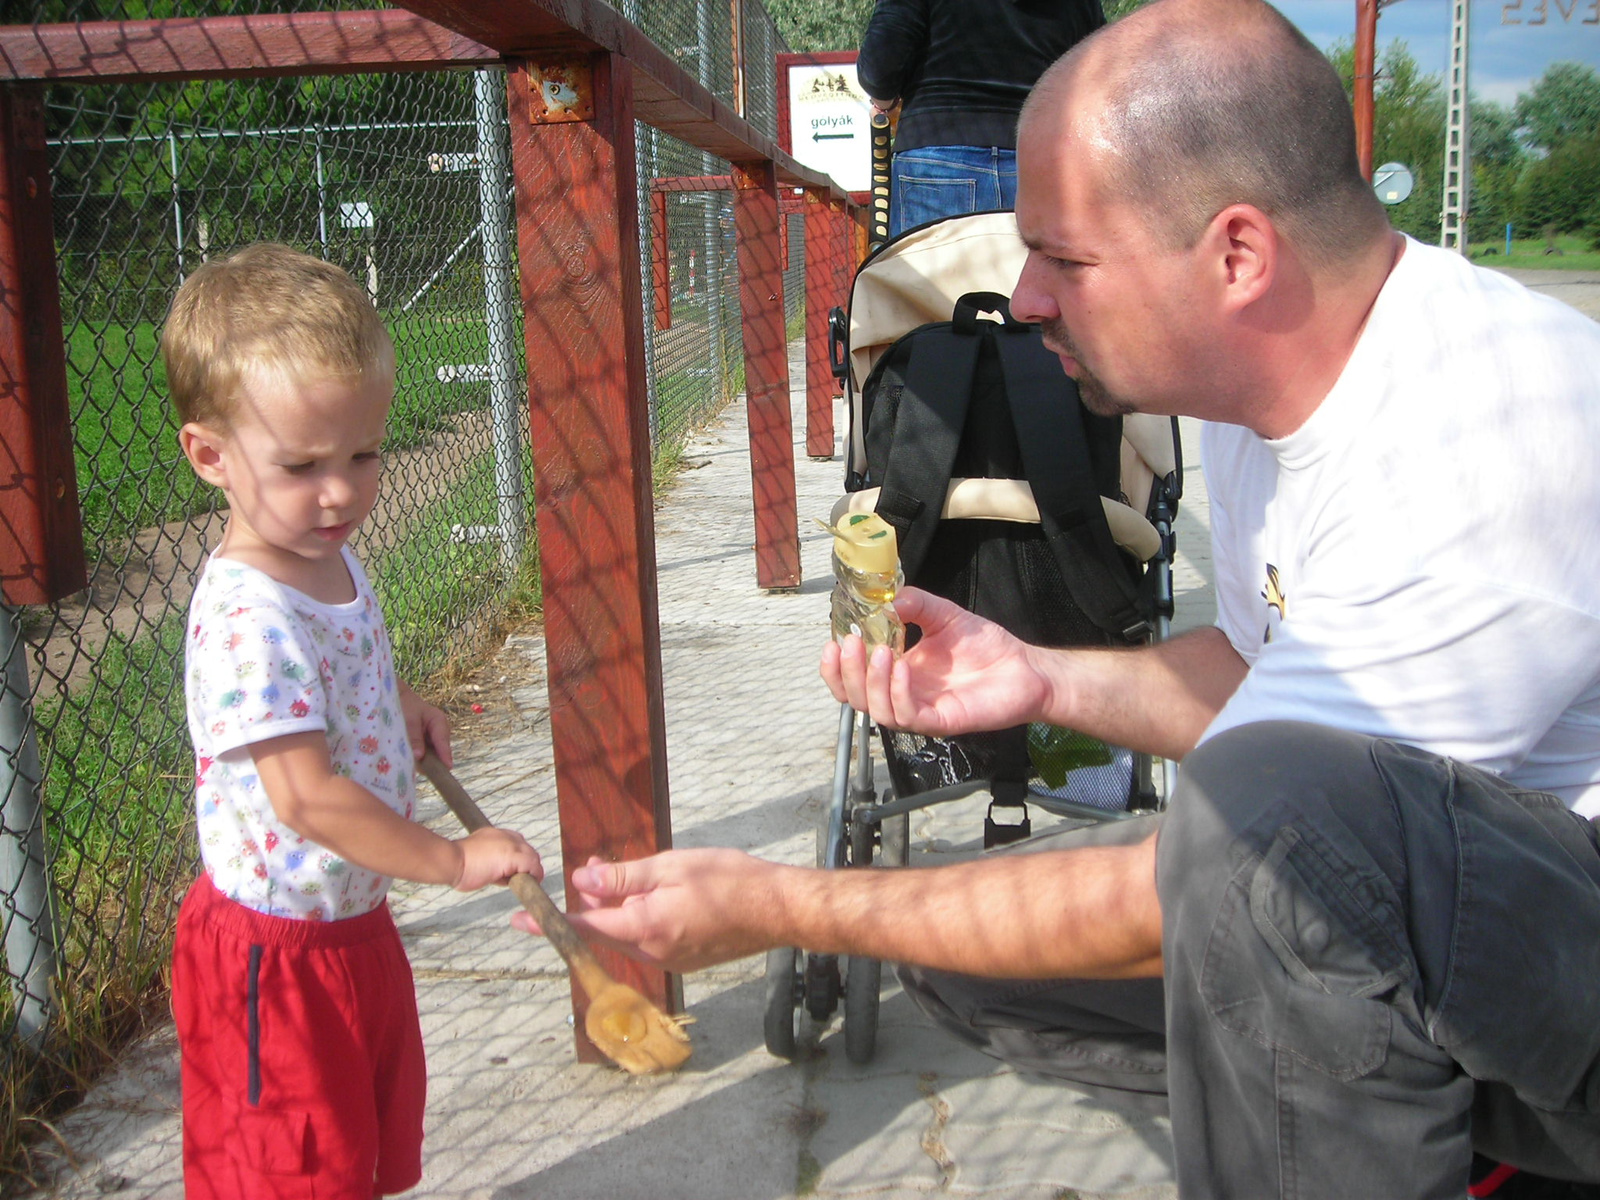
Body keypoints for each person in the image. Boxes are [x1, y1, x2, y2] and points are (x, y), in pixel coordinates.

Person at [512, 0, 1600, 1196]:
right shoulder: (1258, 393)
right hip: (1446, 916)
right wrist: (1043, 679)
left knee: (1233, 859)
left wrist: (790, 902)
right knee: (974, 954)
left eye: (1064, 259)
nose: (1025, 299)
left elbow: (1272, 857)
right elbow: (1261, 677)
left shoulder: (1484, 440)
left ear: (1236, 255)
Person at [163, 243, 544, 1200]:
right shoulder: (249, 617)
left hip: (349, 925)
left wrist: (397, 702)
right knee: (291, 1171)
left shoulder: (322, 554)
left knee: (356, 1152)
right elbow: (306, 797)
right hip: (274, 957)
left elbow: (350, 665)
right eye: (300, 464)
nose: (341, 492)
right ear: (210, 455)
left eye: (364, 453)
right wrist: (452, 859)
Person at [857, 0, 1104, 237]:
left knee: (933, 277)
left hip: (938, 152)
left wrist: (886, 103)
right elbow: (1099, 65)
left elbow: (880, 68)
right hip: (1041, 157)